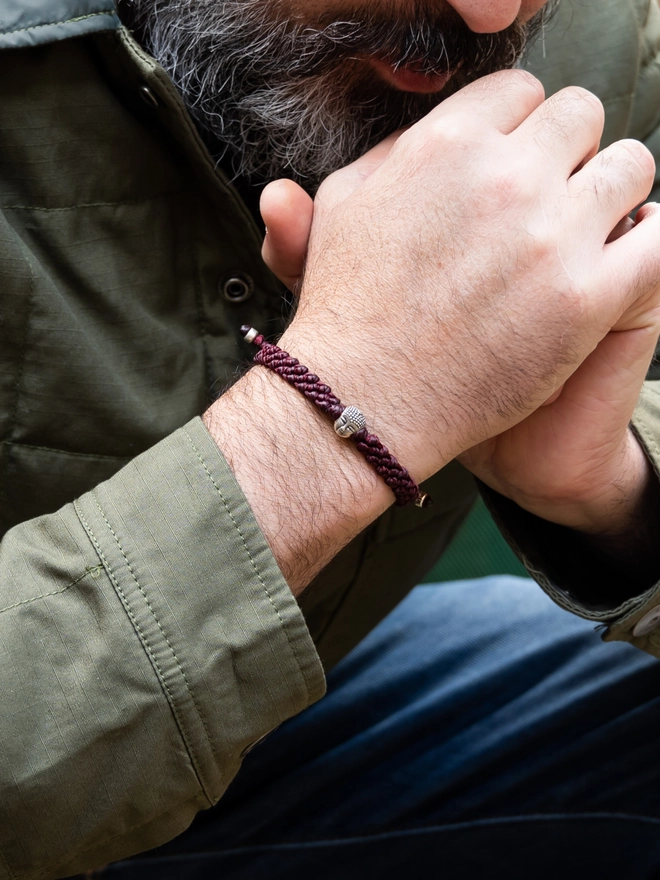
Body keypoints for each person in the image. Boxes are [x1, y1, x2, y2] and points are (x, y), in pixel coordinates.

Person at [1, 0, 660, 877]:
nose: (497, 10)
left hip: (284, 745)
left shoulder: (600, 36)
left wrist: (611, 493)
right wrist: (335, 418)